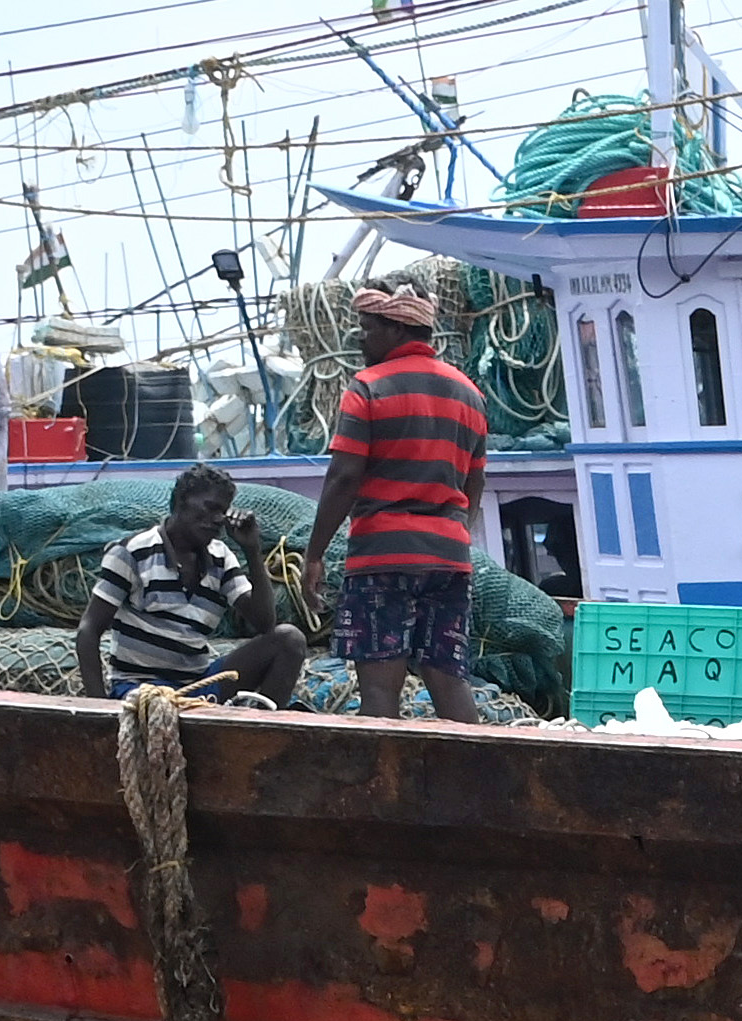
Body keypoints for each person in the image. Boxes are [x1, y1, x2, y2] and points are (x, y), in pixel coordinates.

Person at [303, 279, 491, 723]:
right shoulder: (470, 394)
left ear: (396, 330)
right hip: (449, 556)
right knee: (448, 676)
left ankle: (384, 790)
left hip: (382, 558)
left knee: (379, 689)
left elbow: (344, 476)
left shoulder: (367, 387)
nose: (362, 339)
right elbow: (473, 487)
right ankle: (483, 781)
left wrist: (313, 555)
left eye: (368, 329)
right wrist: (455, 535)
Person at [79, 467, 307, 704]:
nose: (218, 519)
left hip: (197, 685)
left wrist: (252, 550)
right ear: (181, 502)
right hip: (142, 689)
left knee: (289, 640)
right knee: (158, 703)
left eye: (223, 511)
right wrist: (100, 709)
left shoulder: (221, 558)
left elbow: (264, 622)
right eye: (210, 508)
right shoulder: (132, 552)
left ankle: (264, 735)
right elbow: (89, 630)